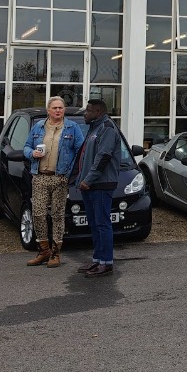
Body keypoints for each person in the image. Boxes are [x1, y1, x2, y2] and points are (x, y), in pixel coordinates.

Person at [22, 96, 85, 268]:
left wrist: (70, 173)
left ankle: (56, 253)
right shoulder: (39, 126)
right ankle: (43, 250)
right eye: (55, 108)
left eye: (61, 108)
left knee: (57, 215)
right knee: (38, 213)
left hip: (60, 178)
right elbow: (26, 146)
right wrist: (32, 153)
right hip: (40, 176)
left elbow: (81, 151)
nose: (58, 110)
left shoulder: (73, 128)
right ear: (48, 110)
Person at [70, 98, 126, 277]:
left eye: (88, 111)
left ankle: (106, 263)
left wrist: (89, 179)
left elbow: (103, 157)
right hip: (90, 184)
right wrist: (79, 178)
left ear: (98, 112)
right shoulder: (94, 128)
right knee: (94, 224)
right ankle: (97, 260)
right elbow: (86, 157)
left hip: (100, 184)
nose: (85, 114)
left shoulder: (107, 128)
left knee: (102, 224)